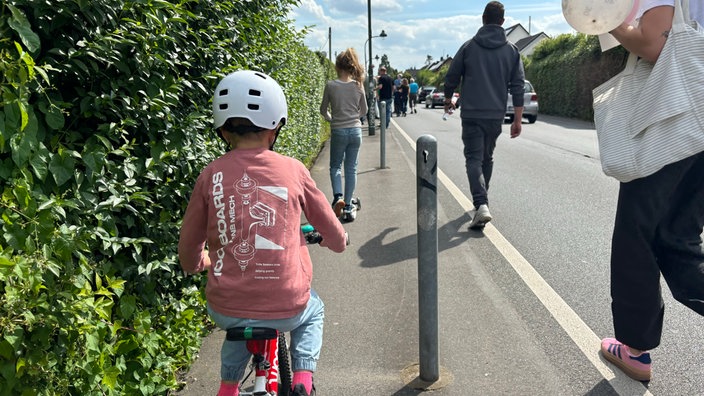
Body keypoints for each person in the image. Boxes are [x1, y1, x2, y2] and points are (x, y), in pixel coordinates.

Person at [178, 70, 348, 396]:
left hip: (225, 307)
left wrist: (198, 261)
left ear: (223, 130)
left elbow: (188, 248)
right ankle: (302, 379)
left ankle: (228, 386)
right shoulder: (294, 170)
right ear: (275, 125)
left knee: (236, 322)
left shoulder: (210, 175)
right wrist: (337, 241)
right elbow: (330, 228)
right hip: (288, 303)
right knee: (313, 311)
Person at [597, 0, 704, 382]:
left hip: (675, 119)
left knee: (636, 236)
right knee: (678, 240)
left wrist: (606, 22)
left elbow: (654, 43)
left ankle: (635, 350)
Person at [444, 1, 524, 230]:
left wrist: (449, 99)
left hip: (471, 113)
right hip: (495, 115)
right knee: (486, 158)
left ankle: (481, 203)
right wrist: (517, 120)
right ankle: (482, 204)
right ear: (502, 22)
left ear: (482, 18)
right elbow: (518, 86)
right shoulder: (512, 51)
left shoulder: (469, 47)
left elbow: (452, 76)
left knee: (473, 159)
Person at [320, 48, 368, 222]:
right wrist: (355, 117)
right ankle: (348, 204)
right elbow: (364, 111)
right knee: (351, 168)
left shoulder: (331, 85)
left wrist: (333, 119)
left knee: (335, 167)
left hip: (339, 130)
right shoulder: (358, 85)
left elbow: (323, 110)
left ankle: (338, 197)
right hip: (355, 130)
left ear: (337, 66)